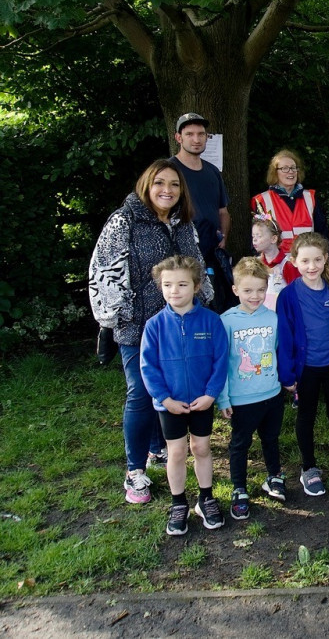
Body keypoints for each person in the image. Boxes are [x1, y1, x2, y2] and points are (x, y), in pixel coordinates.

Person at [89, 159, 212, 504]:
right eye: (160, 183)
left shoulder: (182, 222)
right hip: (138, 325)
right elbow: (104, 272)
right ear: (147, 185)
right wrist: (121, 315)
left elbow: (196, 265)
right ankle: (135, 471)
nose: (167, 190)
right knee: (142, 394)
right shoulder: (124, 221)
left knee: (169, 389)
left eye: (174, 185)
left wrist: (203, 300)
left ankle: (158, 449)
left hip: (179, 325)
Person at [139, 255, 228, 536]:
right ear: (160, 287)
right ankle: (178, 503)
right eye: (167, 285)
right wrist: (164, 399)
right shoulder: (154, 326)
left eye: (181, 284)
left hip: (202, 401)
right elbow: (147, 366)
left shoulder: (212, 322)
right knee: (176, 452)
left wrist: (211, 394)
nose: (174, 291)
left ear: (197, 286)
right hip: (170, 405)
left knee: (201, 448)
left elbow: (221, 360)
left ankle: (206, 498)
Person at [276, 232, 329, 497]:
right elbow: (285, 337)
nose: (311, 266)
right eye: (305, 261)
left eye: (317, 260)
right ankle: (309, 468)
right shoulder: (288, 296)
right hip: (307, 369)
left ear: (326, 259)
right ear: (294, 262)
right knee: (306, 415)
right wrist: (287, 374)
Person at [218, 257, 287, 520]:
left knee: (271, 439)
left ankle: (273, 476)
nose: (255, 296)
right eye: (248, 290)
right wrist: (223, 398)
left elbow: (278, 352)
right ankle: (239, 489)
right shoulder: (226, 321)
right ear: (236, 290)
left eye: (260, 289)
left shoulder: (273, 319)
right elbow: (222, 362)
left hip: (271, 394)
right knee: (240, 443)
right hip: (241, 398)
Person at [170, 113, 231, 279]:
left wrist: (223, 237)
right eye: (189, 134)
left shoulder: (212, 171)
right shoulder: (169, 170)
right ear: (178, 138)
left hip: (212, 255)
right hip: (181, 256)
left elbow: (223, 211)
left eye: (201, 134)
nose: (196, 139)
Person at [251, 149, 329, 254]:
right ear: (275, 173)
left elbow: (323, 235)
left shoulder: (310, 198)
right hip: (277, 265)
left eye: (293, 168)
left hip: (307, 264)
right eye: (285, 168)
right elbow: (258, 240)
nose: (291, 171)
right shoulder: (262, 201)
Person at [251, 215, 298, 310]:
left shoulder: (288, 265)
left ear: (273, 239)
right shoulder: (254, 264)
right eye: (253, 236)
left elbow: (296, 294)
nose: (254, 240)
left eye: (259, 236)